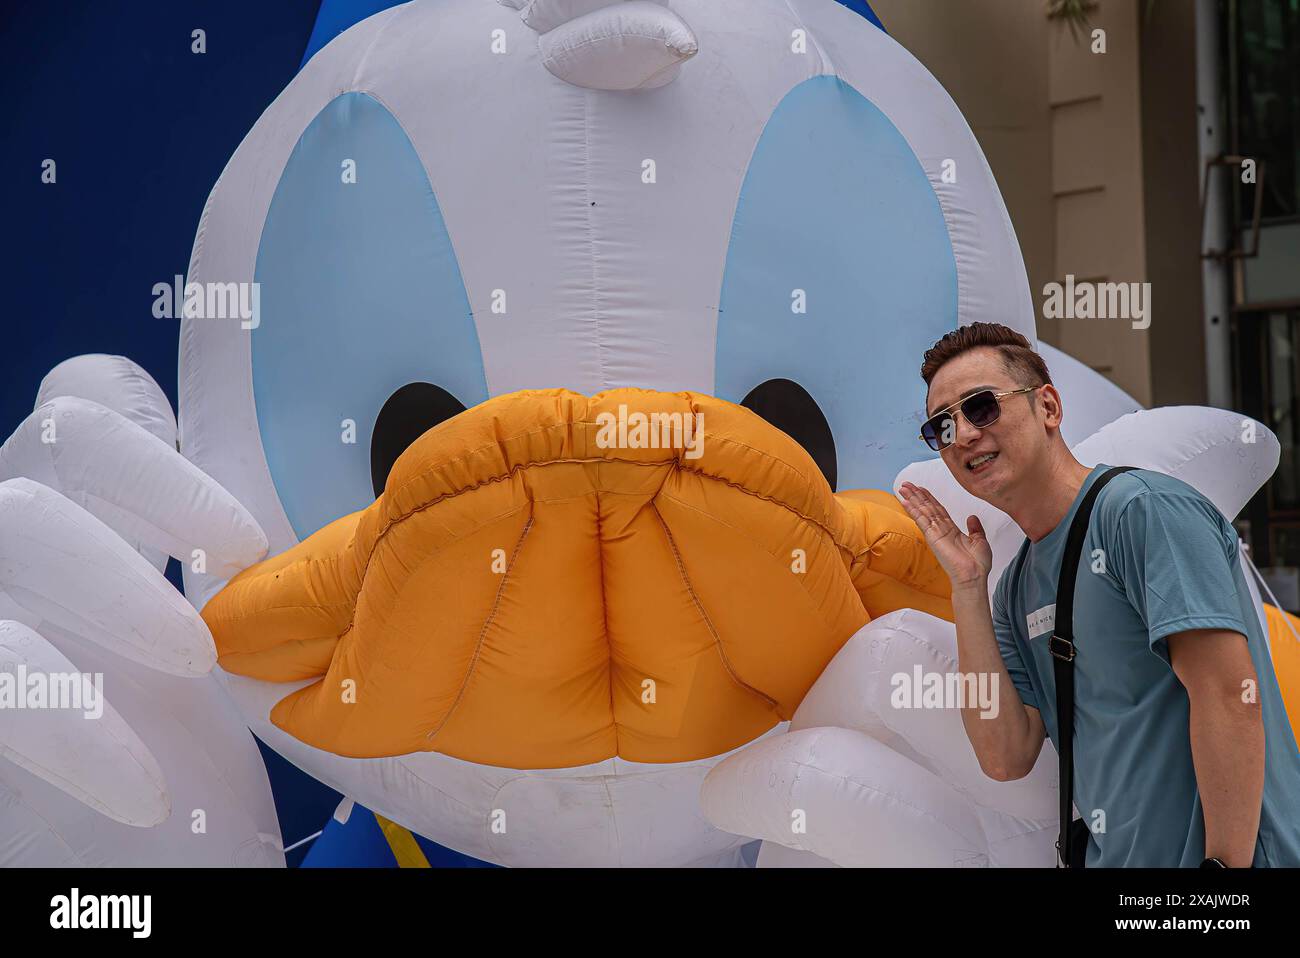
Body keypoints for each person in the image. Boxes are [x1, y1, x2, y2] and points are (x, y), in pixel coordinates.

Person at [897, 322, 1300, 867]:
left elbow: (1229, 694)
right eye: (941, 428)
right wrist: (968, 586)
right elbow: (1004, 755)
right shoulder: (1014, 588)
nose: (964, 434)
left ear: (1049, 408)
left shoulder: (1142, 509)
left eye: (982, 407)